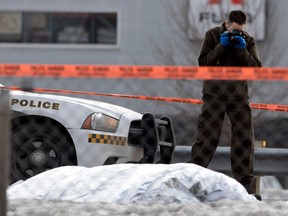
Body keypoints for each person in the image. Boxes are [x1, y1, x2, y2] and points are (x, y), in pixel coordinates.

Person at [187, 10, 262, 195]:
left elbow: (256, 71)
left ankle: (246, 191)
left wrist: (241, 49)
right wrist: (221, 46)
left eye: (240, 31)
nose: (237, 34)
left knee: (244, 140)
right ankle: (191, 183)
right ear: (226, 24)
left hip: (238, 97)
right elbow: (203, 64)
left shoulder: (247, 40)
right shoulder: (212, 35)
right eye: (234, 30)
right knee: (207, 139)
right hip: (214, 95)